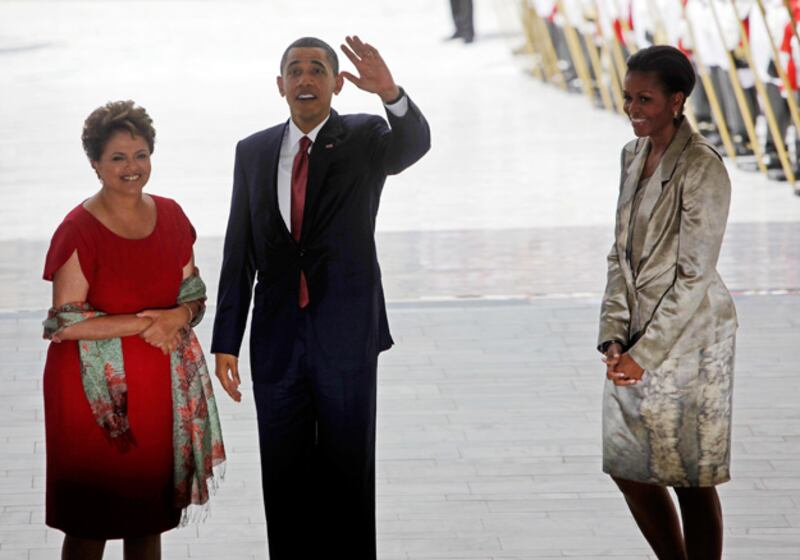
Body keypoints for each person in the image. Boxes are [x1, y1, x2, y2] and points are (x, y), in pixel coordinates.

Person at [211, 35, 430, 559]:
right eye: (295, 70)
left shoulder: (365, 135)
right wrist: (226, 341)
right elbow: (239, 248)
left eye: (316, 70)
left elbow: (413, 146)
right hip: (277, 339)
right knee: (284, 476)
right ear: (280, 85)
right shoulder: (254, 150)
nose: (305, 79)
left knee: (348, 472)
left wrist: (391, 94)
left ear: (336, 83)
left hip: (346, 334)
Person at [42, 100, 225, 560]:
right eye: (118, 157)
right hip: (91, 394)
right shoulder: (77, 229)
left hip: (160, 389)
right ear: (95, 164)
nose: (132, 167)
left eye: (140, 154)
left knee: (148, 519)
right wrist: (149, 322)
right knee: (91, 520)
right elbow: (63, 323)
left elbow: (194, 293)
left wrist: (177, 318)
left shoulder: (173, 215)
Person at [598, 45, 738, 559]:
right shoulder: (631, 154)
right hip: (633, 336)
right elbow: (620, 251)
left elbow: (695, 275)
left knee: (690, 476)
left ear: (677, 101)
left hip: (692, 341)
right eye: (629, 97)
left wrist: (644, 353)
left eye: (646, 99)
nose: (633, 108)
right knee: (628, 466)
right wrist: (613, 335)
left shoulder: (702, 166)